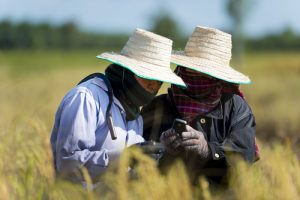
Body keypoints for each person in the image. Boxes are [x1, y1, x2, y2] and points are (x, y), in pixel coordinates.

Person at [50, 28, 186, 184]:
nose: (154, 85)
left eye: (159, 80)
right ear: (125, 70)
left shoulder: (135, 116)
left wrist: (159, 151)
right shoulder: (86, 98)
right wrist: (125, 157)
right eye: (147, 75)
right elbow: (68, 164)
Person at [141, 26, 257, 186]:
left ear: (218, 78)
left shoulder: (236, 109)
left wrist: (207, 150)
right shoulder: (157, 107)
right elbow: (138, 162)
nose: (195, 77)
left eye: (204, 74)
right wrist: (163, 150)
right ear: (181, 69)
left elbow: (243, 160)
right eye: (191, 70)